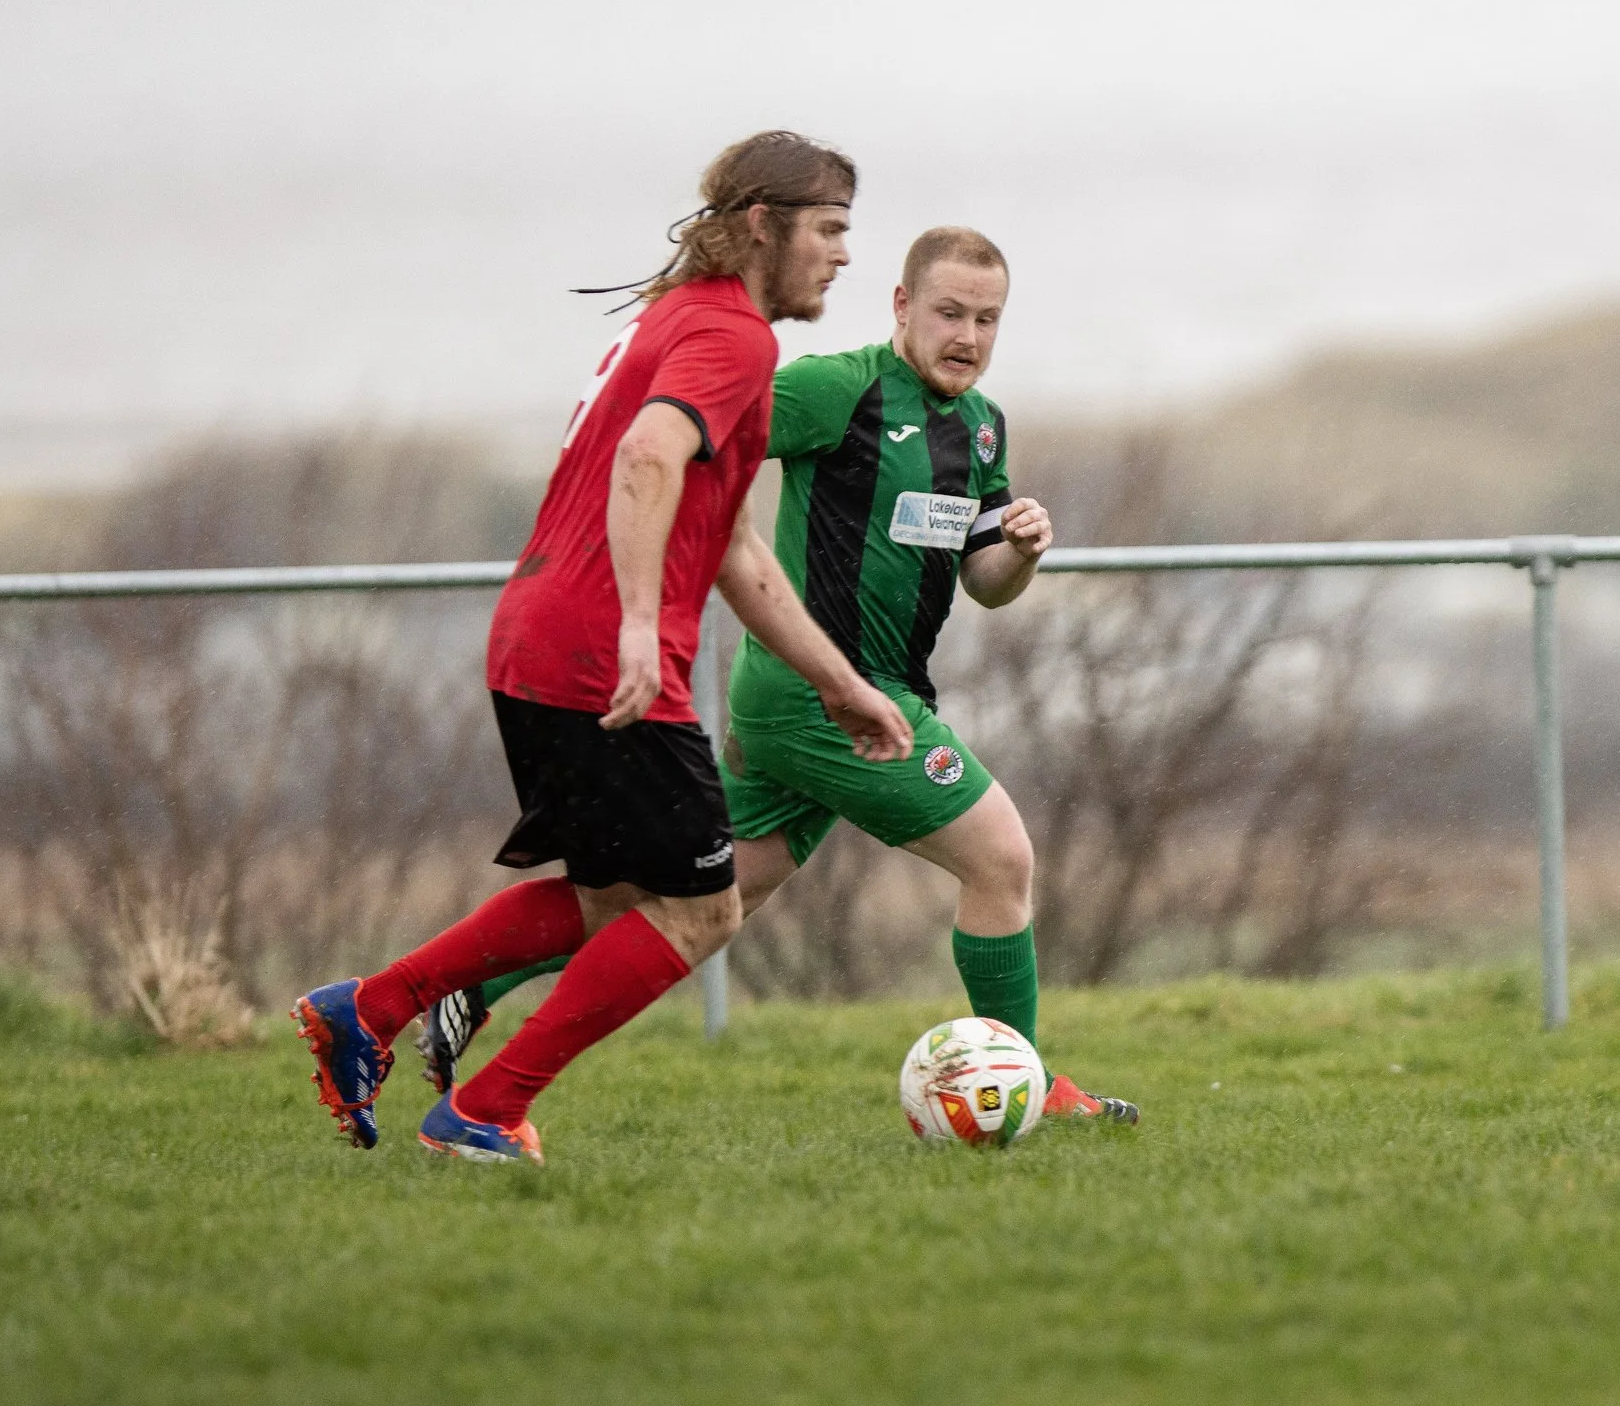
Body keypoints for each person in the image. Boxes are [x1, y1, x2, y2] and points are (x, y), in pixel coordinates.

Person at [292, 131, 913, 1164]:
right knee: (706, 909)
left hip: (535, 638)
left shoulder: (676, 317)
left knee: (618, 898)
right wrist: (636, 624)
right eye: (830, 229)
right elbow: (647, 453)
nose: (844, 255)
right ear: (762, 224)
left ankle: (373, 1008)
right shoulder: (733, 339)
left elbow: (735, 551)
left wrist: (839, 683)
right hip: (601, 657)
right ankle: (482, 1110)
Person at [424, 226, 1135, 1125]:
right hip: (823, 700)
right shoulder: (839, 389)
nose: (968, 336)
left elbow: (985, 586)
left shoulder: (982, 428)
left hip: (851, 699)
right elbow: (685, 441)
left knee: (690, 899)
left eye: (987, 320)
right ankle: (1026, 1084)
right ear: (902, 307)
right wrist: (653, 574)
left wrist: (1022, 552)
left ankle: (470, 990)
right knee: (1001, 859)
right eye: (950, 313)